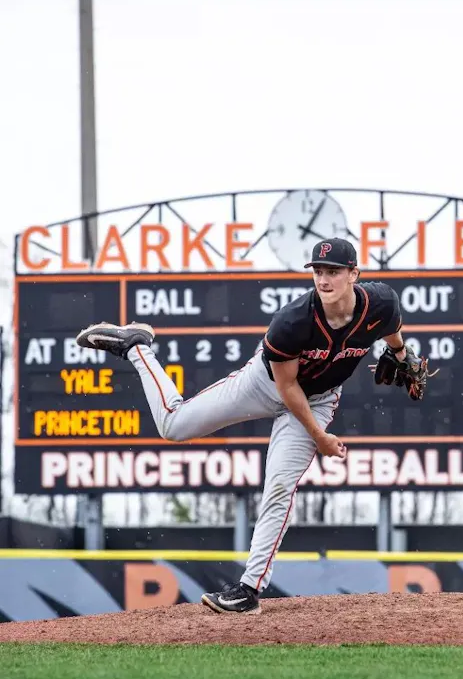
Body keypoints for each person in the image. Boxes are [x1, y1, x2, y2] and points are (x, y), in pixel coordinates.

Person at [75, 238, 431, 615]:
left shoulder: (381, 302)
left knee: (279, 486)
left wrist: (400, 354)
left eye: (333, 272)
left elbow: (391, 328)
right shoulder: (293, 321)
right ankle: (137, 346)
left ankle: (248, 590)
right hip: (265, 384)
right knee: (173, 426)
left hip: (320, 398)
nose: (324, 280)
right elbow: (287, 387)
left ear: (353, 274)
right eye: (318, 272)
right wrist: (320, 437)